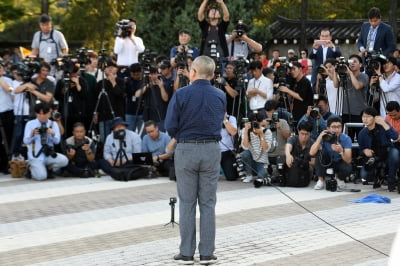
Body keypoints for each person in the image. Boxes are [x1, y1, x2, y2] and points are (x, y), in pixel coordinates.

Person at [165, 56, 226, 265]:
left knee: (187, 202)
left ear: (192, 71)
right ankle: (207, 253)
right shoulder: (220, 95)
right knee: (208, 203)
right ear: (212, 74)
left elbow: (170, 125)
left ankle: (187, 253)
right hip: (211, 149)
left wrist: (181, 135)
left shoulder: (181, 94)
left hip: (186, 148)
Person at [23, 103, 68, 180]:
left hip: (48, 154)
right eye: (39, 114)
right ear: (36, 114)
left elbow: (57, 141)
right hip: (35, 155)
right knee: (41, 177)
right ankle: (31, 168)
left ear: (48, 113)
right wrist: (32, 133)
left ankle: (47, 168)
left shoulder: (53, 124)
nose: (42, 116)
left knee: (64, 160)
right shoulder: (30, 124)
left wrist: (52, 133)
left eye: (44, 113)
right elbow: (26, 141)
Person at [358, 107, 399, 192]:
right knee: (364, 176)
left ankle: (391, 181)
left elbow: (395, 136)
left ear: (375, 117)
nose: (365, 119)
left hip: (387, 154)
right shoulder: (362, 133)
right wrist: (364, 151)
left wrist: (384, 124)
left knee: (394, 152)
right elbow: (360, 150)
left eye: (368, 116)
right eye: (363, 117)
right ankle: (379, 175)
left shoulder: (382, 126)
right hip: (374, 158)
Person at [310, 116, 353, 190]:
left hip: (339, 162)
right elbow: (311, 153)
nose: (337, 130)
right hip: (327, 161)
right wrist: (319, 138)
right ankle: (320, 180)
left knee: (348, 166)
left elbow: (348, 160)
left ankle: (340, 179)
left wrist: (341, 151)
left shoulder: (346, 139)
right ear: (328, 128)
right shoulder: (324, 137)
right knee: (319, 153)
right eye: (334, 127)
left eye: (339, 127)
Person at [94, 59, 126, 143]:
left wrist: (113, 81)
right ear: (104, 69)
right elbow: (97, 99)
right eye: (108, 67)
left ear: (117, 69)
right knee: (104, 139)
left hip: (117, 115)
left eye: (112, 67)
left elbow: (120, 94)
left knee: (118, 139)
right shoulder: (101, 83)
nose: (110, 69)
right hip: (103, 116)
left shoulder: (121, 81)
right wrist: (96, 113)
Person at [54, 63, 88, 137]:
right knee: (65, 133)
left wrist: (77, 84)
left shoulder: (82, 80)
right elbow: (57, 96)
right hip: (65, 112)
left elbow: (84, 94)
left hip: (78, 112)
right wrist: (66, 87)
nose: (73, 76)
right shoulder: (61, 81)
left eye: (75, 73)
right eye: (72, 74)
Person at [136, 66, 173, 132]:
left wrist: (161, 87)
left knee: (161, 135)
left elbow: (165, 99)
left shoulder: (164, 84)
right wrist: (147, 86)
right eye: (150, 74)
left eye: (154, 74)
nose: (152, 76)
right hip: (148, 116)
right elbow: (137, 95)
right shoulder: (145, 84)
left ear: (157, 74)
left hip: (160, 115)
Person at [340, 55, 369, 140]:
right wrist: (335, 71)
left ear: (360, 65)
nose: (352, 64)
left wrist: (350, 73)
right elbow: (336, 84)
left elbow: (357, 86)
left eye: (355, 62)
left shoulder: (364, 76)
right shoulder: (346, 76)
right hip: (346, 111)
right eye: (350, 62)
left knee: (361, 138)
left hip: (359, 112)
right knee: (347, 139)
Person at [284, 121, 314, 187]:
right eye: (302, 133)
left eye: (306, 134)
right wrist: (288, 155)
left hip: (306, 168)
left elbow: (313, 163)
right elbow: (288, 146)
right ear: (298, 131)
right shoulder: (293, 139)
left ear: (310, 133)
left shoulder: (312, 143)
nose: (304, 136)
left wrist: (301, 162)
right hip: (292, 167)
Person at [0, 62, 15, 173]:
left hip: (7, 113)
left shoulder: (8, 80)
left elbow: (9, 89)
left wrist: (0, 79)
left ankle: (7, 164)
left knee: (8, 139)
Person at [125, 63, 144, 133]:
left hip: (142, 112)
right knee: (129, 133)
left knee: (142, 133)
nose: (135, 77)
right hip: (130, 111)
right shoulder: (127, 81)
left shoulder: (144, 81)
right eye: (134, 75)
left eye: (137, 74)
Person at [220, 113, 239, 181]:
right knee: (209, 177)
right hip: (213, 151)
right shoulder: (211, 117)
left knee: (232, 177)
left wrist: (225, 119)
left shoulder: (231, 118)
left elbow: (233, 132)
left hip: (227, 151)